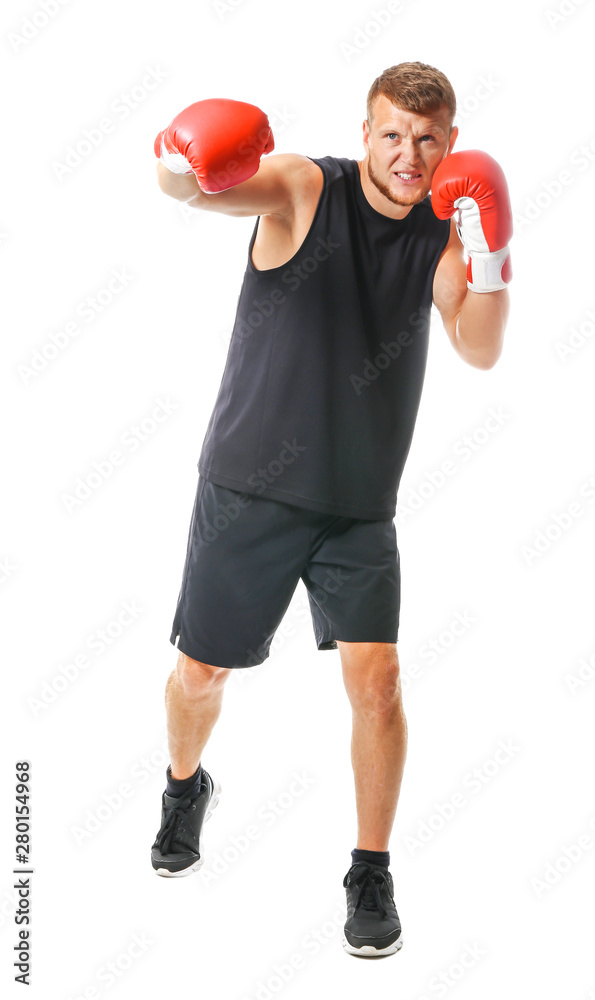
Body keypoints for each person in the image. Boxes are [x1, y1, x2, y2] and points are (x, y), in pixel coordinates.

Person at [150, 61, 512, 958]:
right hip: (247, 489)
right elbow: (197, 193)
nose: (410, 154)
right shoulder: (308, 187)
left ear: (450, 145)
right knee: (201, 677)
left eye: (428, 139)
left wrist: (496, 249)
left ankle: (369, 868)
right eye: (393, 133)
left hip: (357, 506)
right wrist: (175, 153)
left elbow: (478, 347)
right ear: (367, 135)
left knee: (378, 684)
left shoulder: (442, 233)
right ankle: (185, 785)